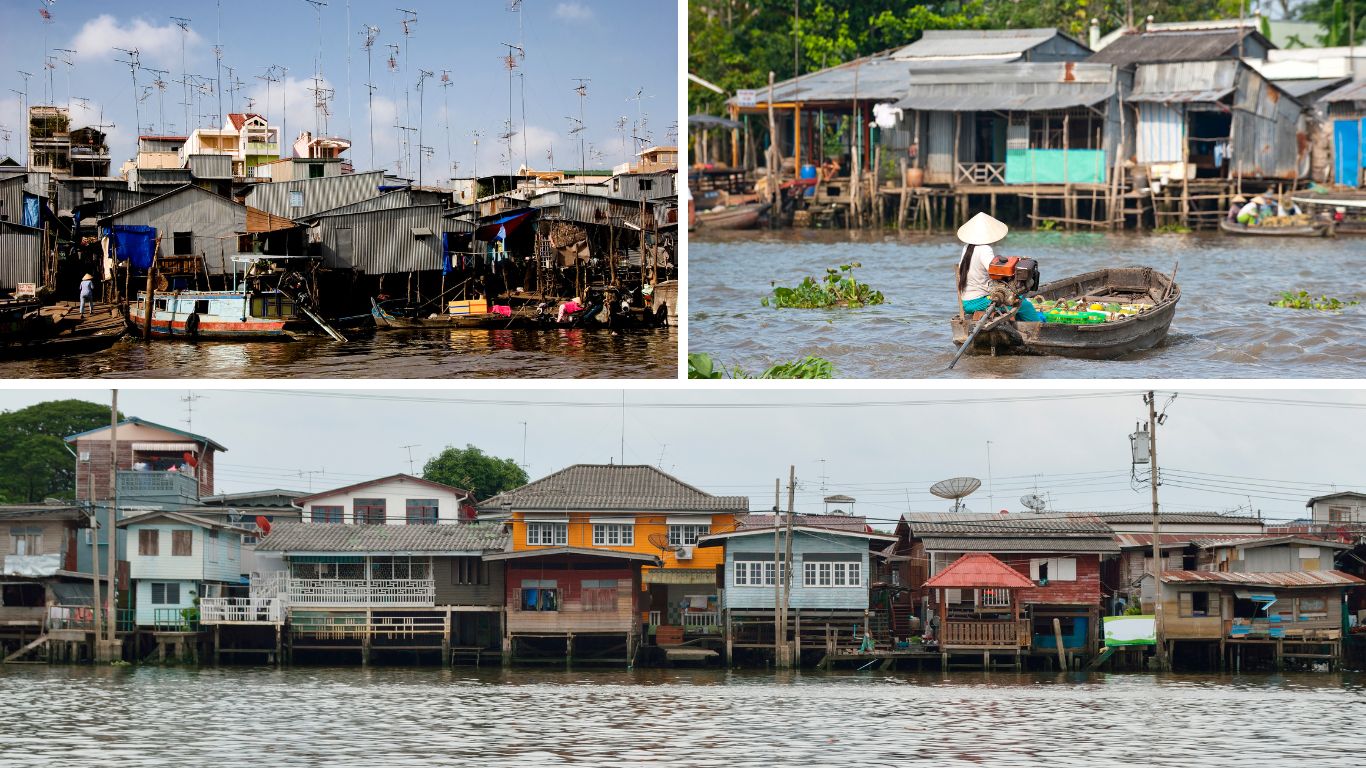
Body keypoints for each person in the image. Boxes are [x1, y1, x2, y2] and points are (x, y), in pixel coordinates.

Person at [955, 212, 1047, 323]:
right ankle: (1038, 326)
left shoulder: (967, 248)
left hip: (967, 302)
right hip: (979, 301)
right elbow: (995, 272)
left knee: (1015, 301)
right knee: (1025, 305)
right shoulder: (984, 249)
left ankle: (1018, 322)